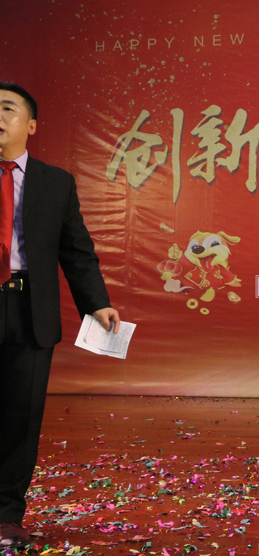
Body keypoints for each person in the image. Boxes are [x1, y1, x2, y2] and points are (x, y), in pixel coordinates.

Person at [0, 82, 120, 548]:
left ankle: (6, 516)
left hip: (30, 310)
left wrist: (97, 301)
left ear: (30, 125)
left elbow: (77, 250)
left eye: (6, 109)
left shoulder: (55, 182)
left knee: (21, 418)